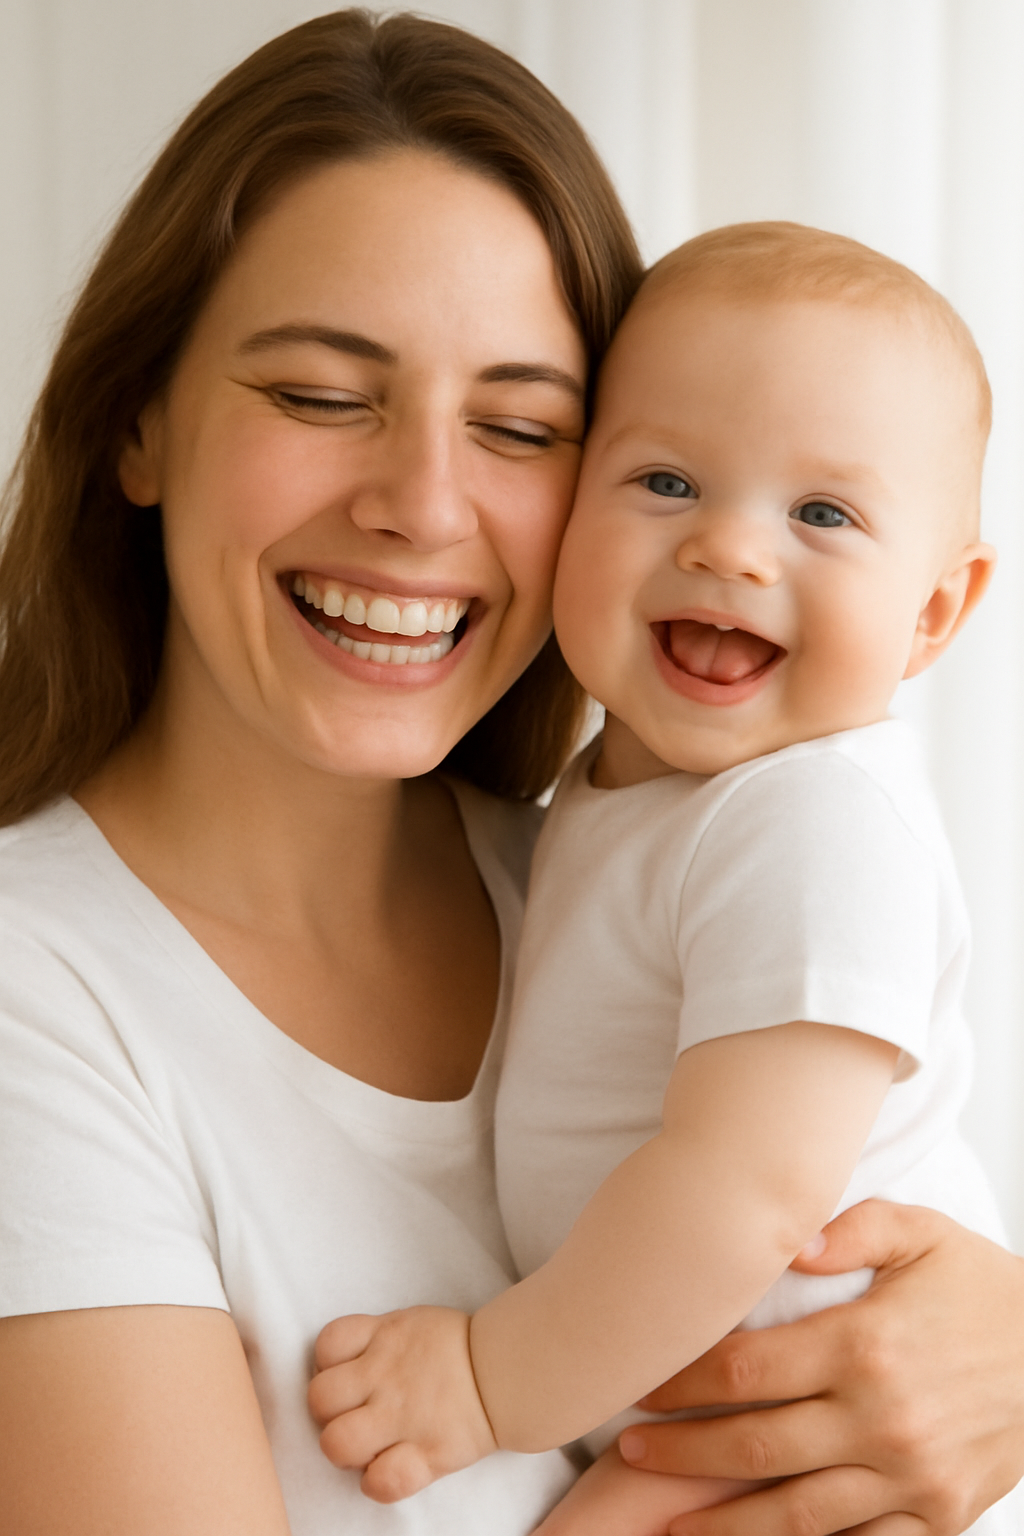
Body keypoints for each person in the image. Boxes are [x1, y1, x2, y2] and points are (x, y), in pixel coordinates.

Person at [0, 11, 1021, 1535]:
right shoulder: (41, 996)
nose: (421, 505)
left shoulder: (625, 877)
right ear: (138, 420)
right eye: (322, 396)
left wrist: (992, 1341)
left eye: (520, 426)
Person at [307, 224, 1018, 1536]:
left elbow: (741, 1193)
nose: (734, 551)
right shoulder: (617, 793)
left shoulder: (817, 820)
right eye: (667, 483)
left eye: (822, 514)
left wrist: (485, 1380)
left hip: (799, 1421)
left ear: (933, 614)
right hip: (693, 1413)